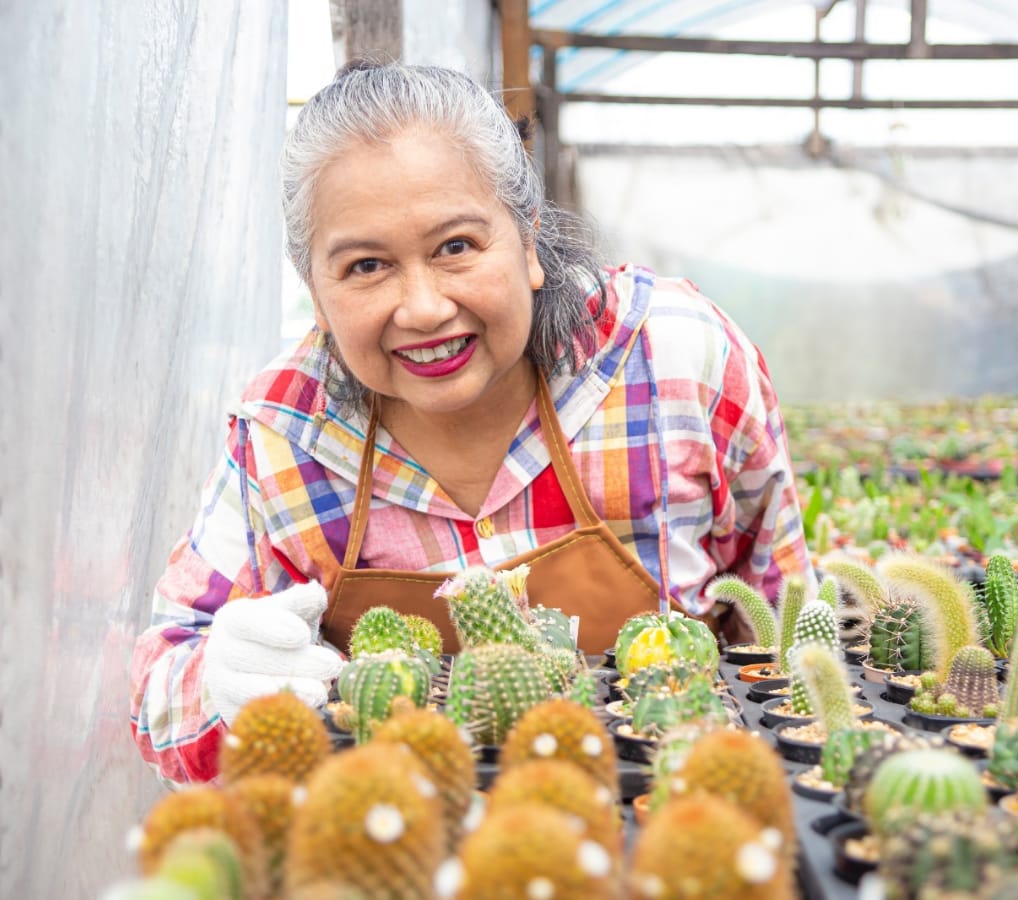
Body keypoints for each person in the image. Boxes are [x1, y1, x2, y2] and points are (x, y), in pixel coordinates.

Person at [130, 61, 814, 786]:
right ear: (316, 294)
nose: (422, 308)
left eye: (456, 247)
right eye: (365, 266)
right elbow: (159, 687)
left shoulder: (677, 361)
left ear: (528, 240)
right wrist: (218, 681)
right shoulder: (286, 433)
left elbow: (783, 622)